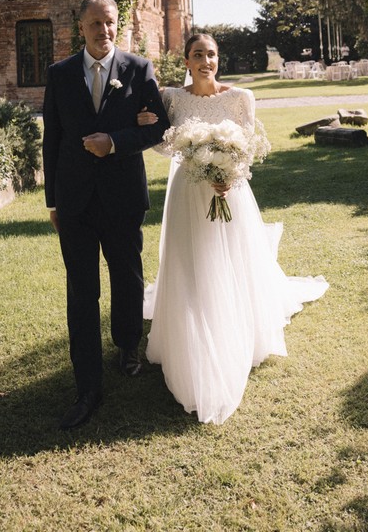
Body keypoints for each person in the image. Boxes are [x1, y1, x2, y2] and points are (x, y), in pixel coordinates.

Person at [139, 33, 328, 425]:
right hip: (187, 193)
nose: (205, 60)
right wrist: (148, 125)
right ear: (186, 61)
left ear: (218, 59)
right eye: (197, 55)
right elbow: (163, 145)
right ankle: (191, 324)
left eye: (211, 54)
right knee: (190, 260)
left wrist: (230, 176)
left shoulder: (240, 97)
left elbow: (246, 147)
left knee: (233, 258)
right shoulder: (173, 97)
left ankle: (237, 322)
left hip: (230, 191)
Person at [42, 0, 170, 430]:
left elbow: (160, 127)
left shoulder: (138, 69)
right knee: (81, 293)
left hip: (122, 196)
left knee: (127, 277)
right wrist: (53, 202)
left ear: (118, 25)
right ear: (81, 27)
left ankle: (127, 344)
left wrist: (115, 141)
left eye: (111, 22)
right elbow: (52, 141)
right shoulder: (59, 75)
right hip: (75, 201)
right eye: (96, 23)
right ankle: (88, 388)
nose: (104, 31)